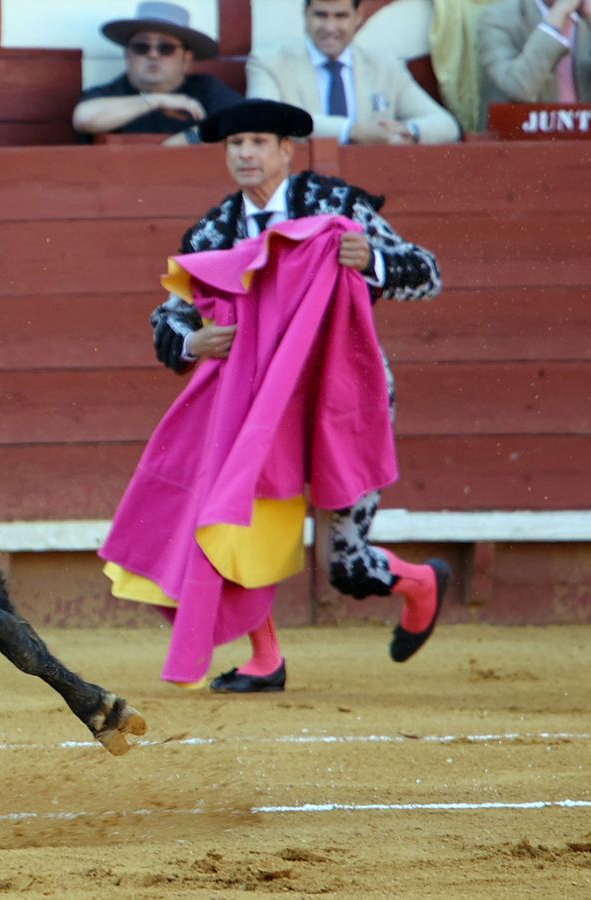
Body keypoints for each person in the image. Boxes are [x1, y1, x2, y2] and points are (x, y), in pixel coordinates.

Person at [100, 99, 451, 694]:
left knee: (347, 564)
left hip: (338, 397)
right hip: (257, 412)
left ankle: (418, 583)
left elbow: (427, 272)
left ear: (287, 150)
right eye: (236, 143)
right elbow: (169, 320)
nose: (245, 154)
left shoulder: (338, 207)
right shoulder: (215, 231)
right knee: (234, 524)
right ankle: (266, 657)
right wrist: (194, 341)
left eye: (259, 142)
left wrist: (375, 262)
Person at [246, 0, 461, 144]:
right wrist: (350, 131)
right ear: (305, 14)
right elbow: (265, 117)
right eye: (321, 15)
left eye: (340, 16)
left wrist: (406, 131)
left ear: (358, 16)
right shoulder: (269, 62)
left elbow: (446, 125)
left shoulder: (385, 66)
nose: (330, 27)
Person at [72, 1, 241, 145]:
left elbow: (251, 120)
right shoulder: (109, 93)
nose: (153, 54)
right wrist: (156, 100)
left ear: (186, 59)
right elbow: (83, 119)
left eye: (166, 48)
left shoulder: (206, 88)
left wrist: (191, 137)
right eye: (141, 47)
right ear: (128, 55)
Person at [477, 0, 591, 123]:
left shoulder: (586, 16)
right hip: (521, 136)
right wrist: (555, 20)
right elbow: (518, 88)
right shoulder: (498, 18)